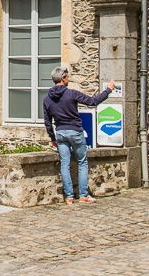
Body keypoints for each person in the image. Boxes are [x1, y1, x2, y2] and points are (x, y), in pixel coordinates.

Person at [43, 67, 115, 204]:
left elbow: (47, 122)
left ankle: (69, 197)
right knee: (82, 162)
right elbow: (93, 102)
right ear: (63, 78)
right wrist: (108, 90)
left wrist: (52, 139)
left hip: (60, 133)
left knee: (65, 164)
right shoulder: (71, 94)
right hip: (75, 131)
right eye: (67, 77)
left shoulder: (47, 98)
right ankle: (83, 195)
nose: (68, 79)